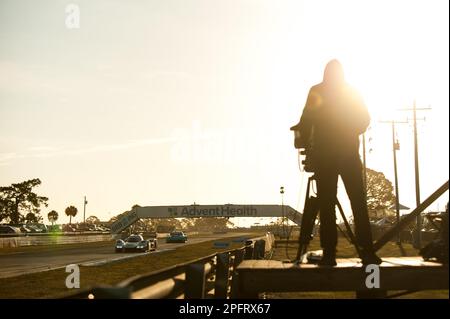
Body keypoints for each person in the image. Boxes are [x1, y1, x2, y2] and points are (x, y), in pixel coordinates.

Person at [296, 59, 382, 266]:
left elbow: (306, 120)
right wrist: (350, 129)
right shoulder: (350, 92)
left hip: (329, 155)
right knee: (356, 203)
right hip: (345, 154)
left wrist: (306, 140)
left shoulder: (319, 90)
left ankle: (330, 254)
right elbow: (364, 119)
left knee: (329, 204)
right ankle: (366, 252)